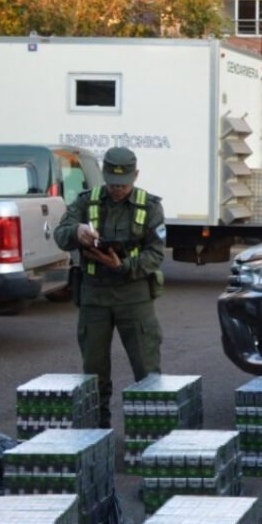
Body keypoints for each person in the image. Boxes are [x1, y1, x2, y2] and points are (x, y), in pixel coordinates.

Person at [55, 146, 166, 427]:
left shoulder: (149, 206)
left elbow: (156, 253)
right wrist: (76, 233)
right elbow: (60, 235)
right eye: (113, 184)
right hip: (94, 297)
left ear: (136, 175)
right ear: (104, 176)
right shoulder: (85, 201)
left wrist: (123, 266)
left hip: (134, 297)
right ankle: (97, 432)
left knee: (147, 370)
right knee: (94, 371)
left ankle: (149, 433)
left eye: (124, 184)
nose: (118, 190)